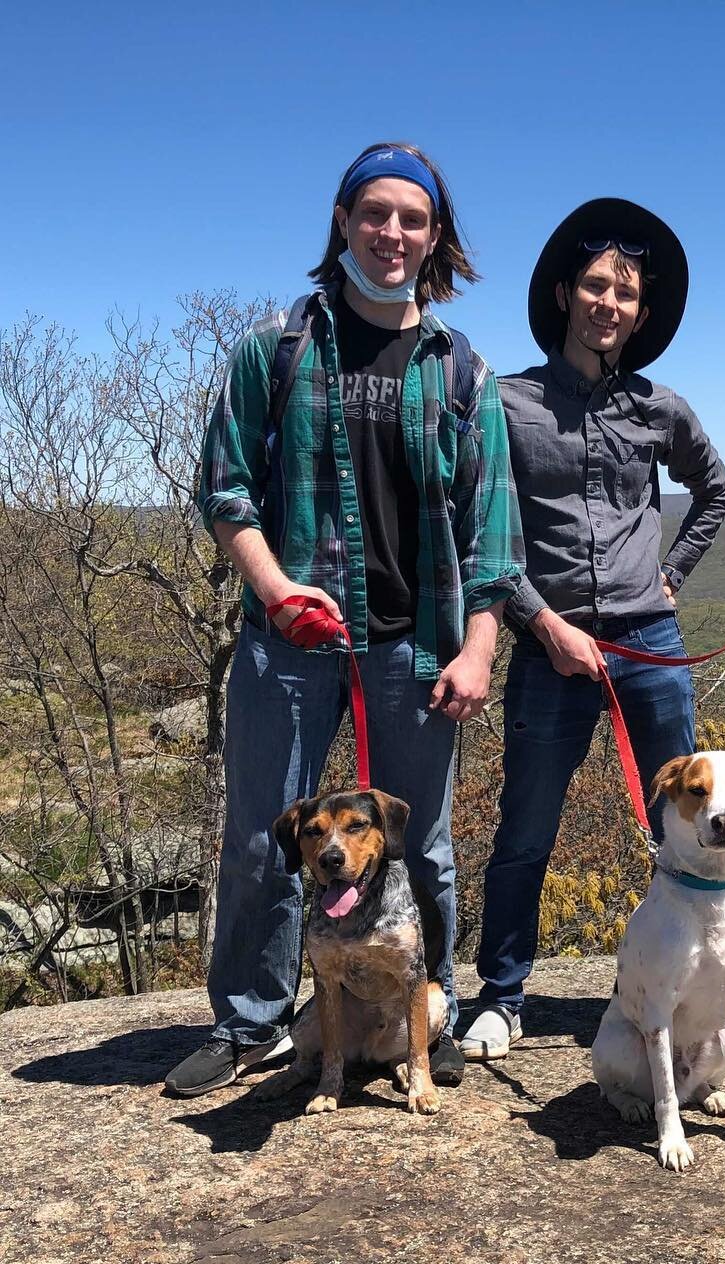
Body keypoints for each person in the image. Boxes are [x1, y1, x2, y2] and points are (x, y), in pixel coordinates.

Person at [166, 142, 523, 1098]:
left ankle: (427, 1008)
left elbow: (493, 531)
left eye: (413, 219)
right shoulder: (274, 351)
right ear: (343, 221)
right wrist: (274, 586)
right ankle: (249, 1021)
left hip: (416, 647)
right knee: (259, 841)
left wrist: (480, 647)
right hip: (290, 644)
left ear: (434, 236)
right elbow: (226, 489)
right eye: (376, 213)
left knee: (424, 849)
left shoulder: (461, 371)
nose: (393, 233)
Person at [457, 198, 725, 1060]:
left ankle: (690, 991)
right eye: (596, 285)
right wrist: (541, 622)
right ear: (566, 294)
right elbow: (482, 532)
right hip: (550, 646)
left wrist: (673, 574)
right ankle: (502, 994)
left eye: (626, 292)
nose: (608, 303)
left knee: (683, 827)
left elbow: (714, 489)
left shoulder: (661, 406)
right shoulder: (505, 403)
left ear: (641, 314)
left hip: (648, 643)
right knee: (526, 828)